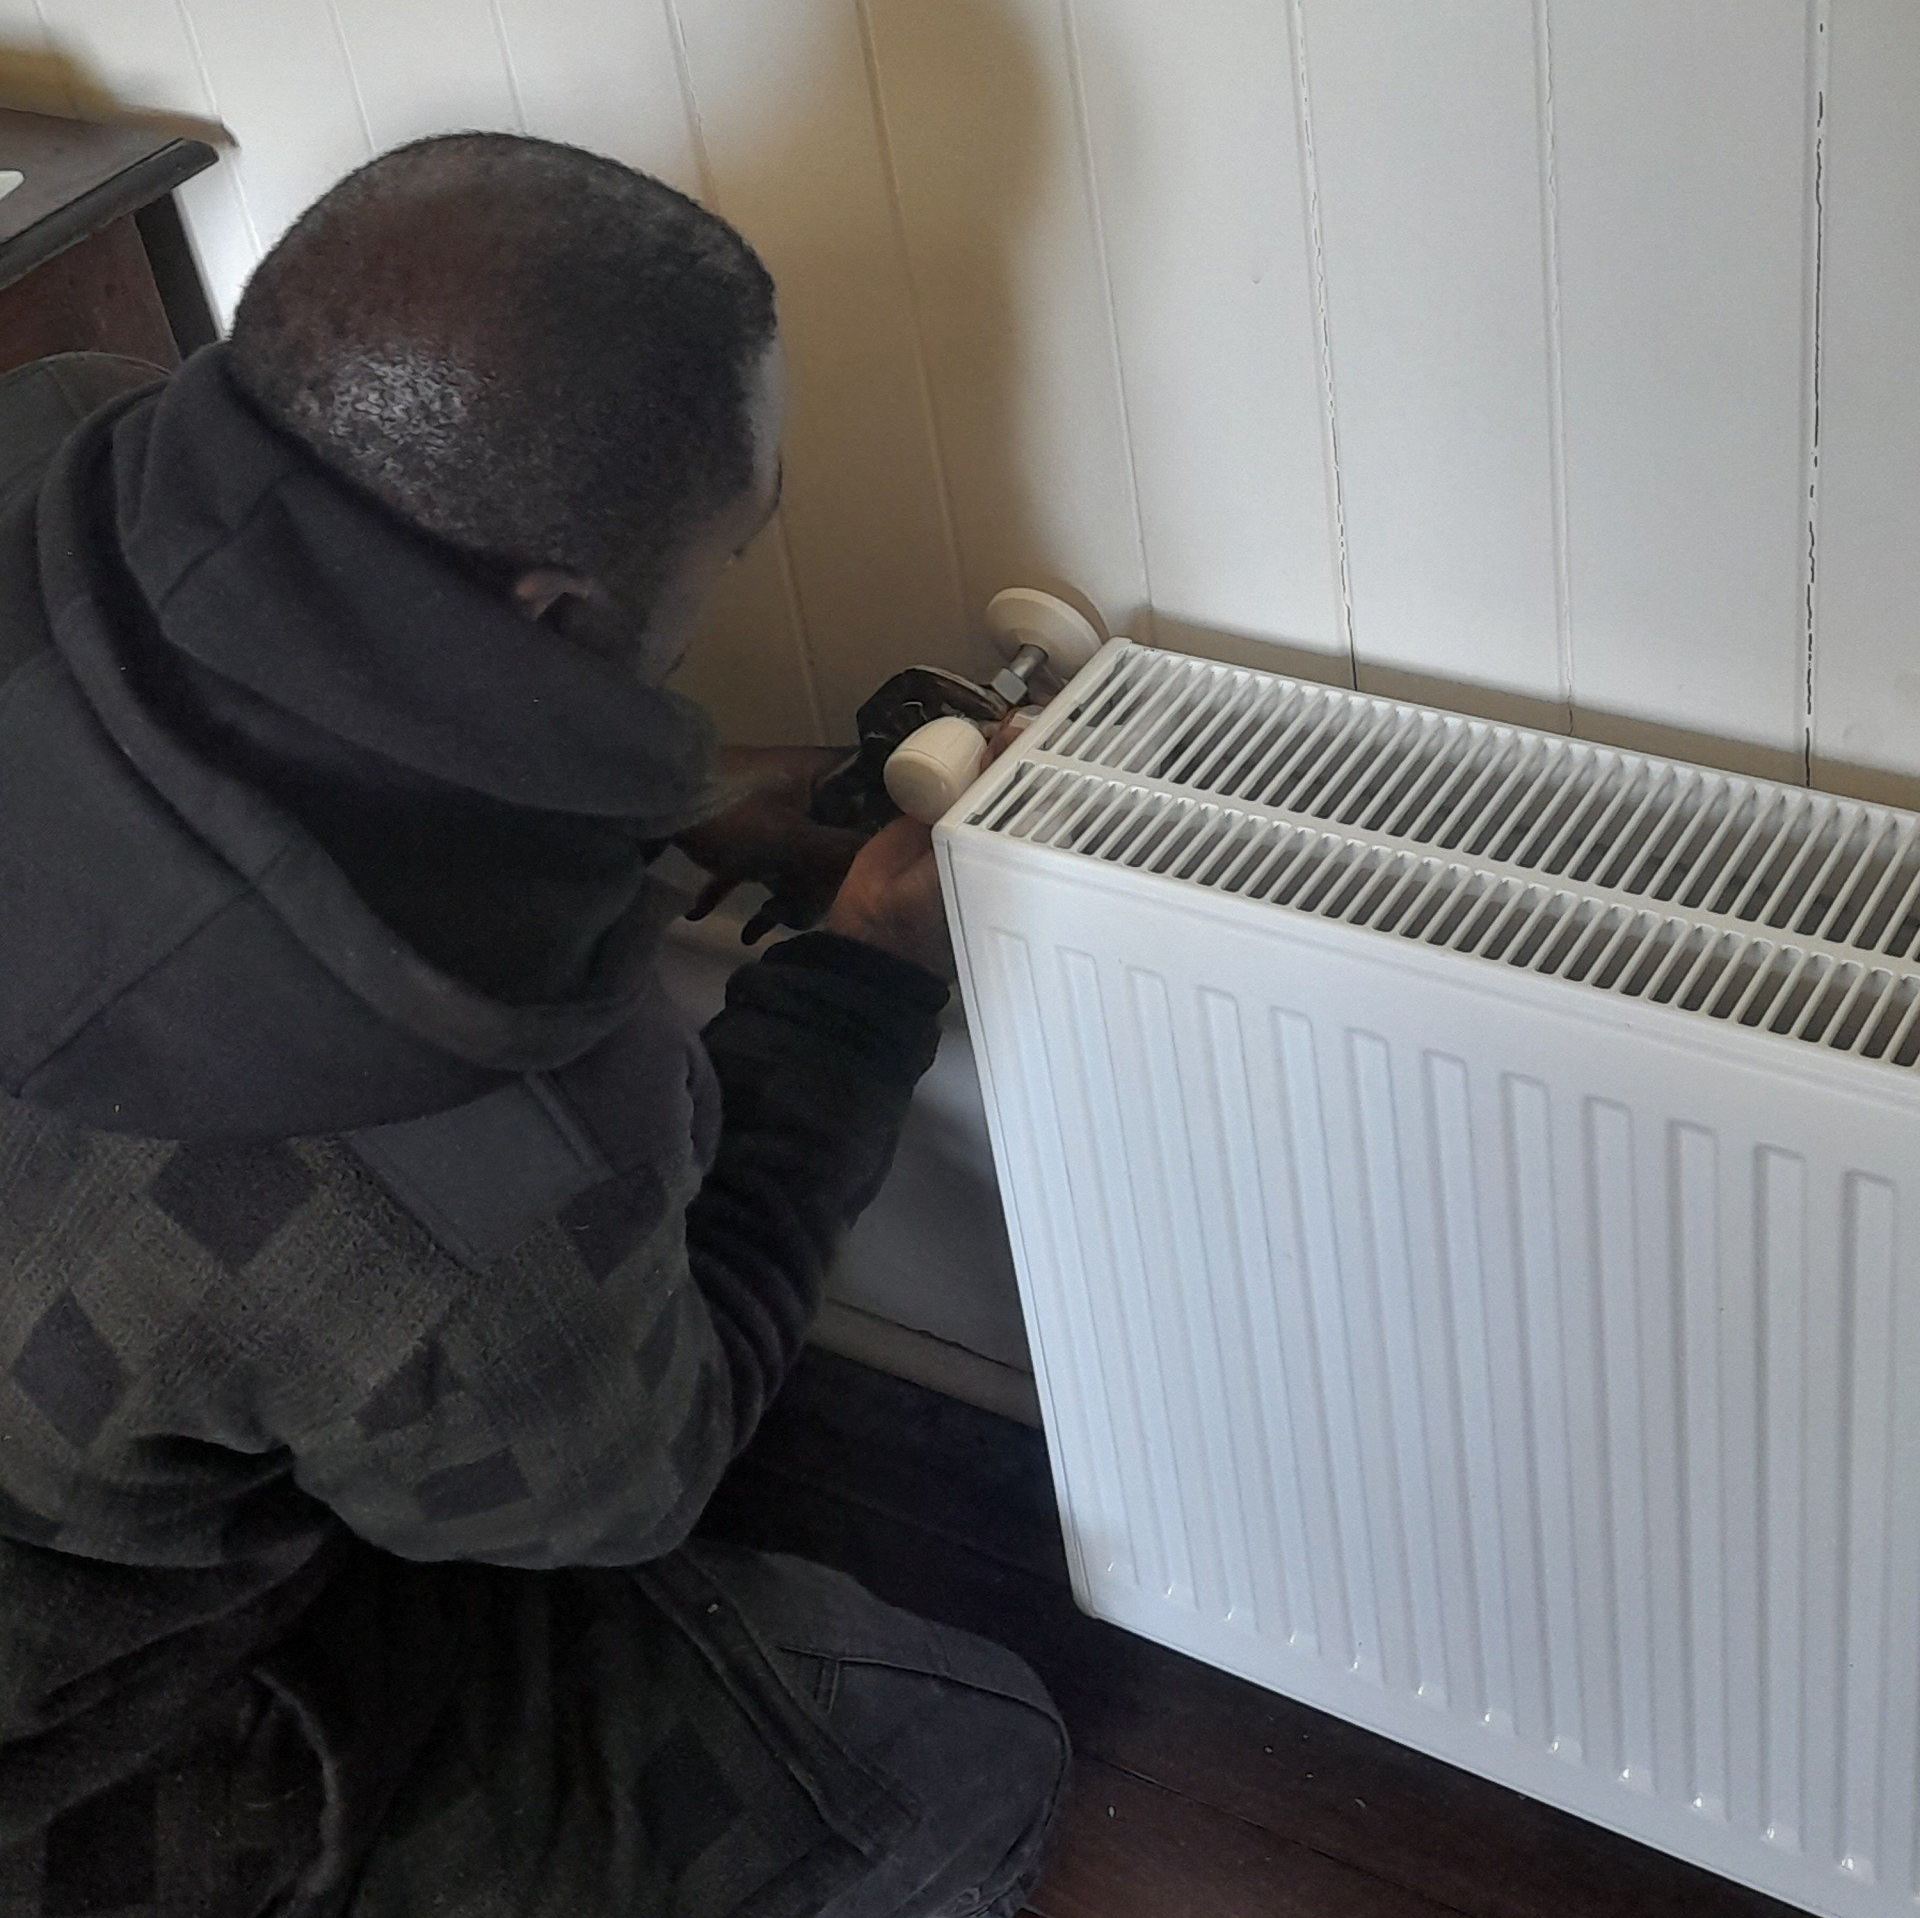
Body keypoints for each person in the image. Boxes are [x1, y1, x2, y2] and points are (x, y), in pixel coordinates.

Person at [0, 132, 1066, 1918]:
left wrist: (666, 804)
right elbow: (649, 1464)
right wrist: (870, 981)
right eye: (733, 544)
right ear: (555, 613)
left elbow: (258, 733)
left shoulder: (53, 419)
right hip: (74, 1776)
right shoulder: (475, 1164)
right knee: (962, 1752)